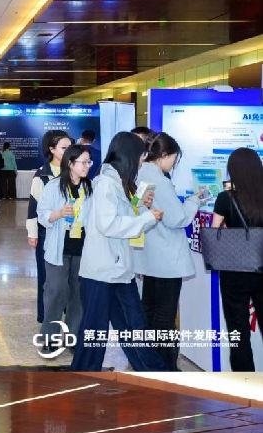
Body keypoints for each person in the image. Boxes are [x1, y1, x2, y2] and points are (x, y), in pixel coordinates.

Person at [71, 131, 166, 371]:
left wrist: (141, 208)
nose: (142, 160)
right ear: (129, 155)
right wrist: (146, 218)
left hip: (118, 270)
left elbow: (122, 217)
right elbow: (109, 224)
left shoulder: (117, 182)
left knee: (133, 329)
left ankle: (154, 373)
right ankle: (82, 377)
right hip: (102, 272)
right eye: (141, 155)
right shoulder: (106, 183)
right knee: (96, 333)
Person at [133, 133, 205, 370]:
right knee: (164, 317)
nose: (174, 163)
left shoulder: (141, 174)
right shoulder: (160, 181)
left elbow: (138, 210)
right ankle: (166, 367)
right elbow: (177, 219)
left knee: (149, 311)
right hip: (167, 260)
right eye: (174, 158)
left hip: (150, 257)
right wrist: (194, 201)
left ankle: (149, 363)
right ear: (164, 155)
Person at [37, 144, 94, 357]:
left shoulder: (90, 187)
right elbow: (42, 215)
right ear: (70, 163)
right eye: (83, 162)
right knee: (56, 293)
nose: (87, 166)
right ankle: (49, 338)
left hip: (82, 250)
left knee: (78, 296)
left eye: (89, 162)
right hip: (58, 250)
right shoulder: (54, 186)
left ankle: (73, 337)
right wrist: (59, 213)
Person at [211, 148, 263, 371]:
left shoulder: (226, 198)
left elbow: (214, 231)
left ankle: (245, 381)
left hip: (235, 270)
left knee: (238, 331)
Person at [27, 130, 71, 324]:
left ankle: (69, 315)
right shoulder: (42, 174)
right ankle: (46, 317)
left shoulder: (75, 170)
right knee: (47, 277)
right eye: (64, 147)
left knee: (69, 277)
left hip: (71, 232)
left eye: (70, 147)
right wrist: (33, 233)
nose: (69, 151)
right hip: (48, 231)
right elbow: (33, 206)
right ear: (52, 149)